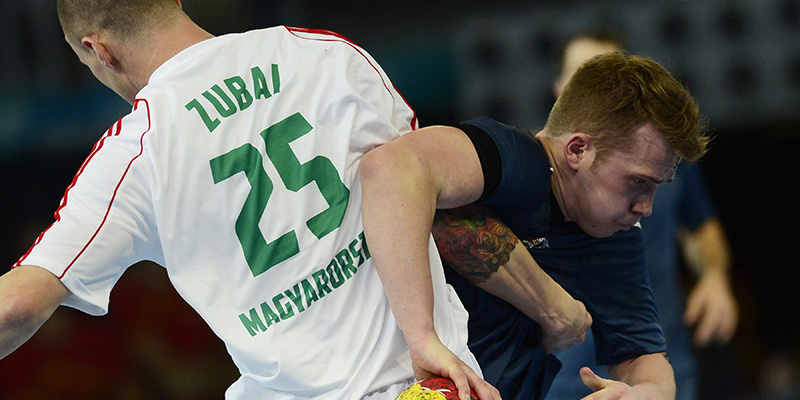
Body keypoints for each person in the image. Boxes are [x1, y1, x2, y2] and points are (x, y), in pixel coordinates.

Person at [0, 1, 500, 399]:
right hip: (439, 380)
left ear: (98, 49)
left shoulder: (135, 155)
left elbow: (18, 303)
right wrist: (548, 307)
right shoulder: (325, 54)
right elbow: (432, 201)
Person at [360, 51, 710, 400]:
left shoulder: (613, 237)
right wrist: (423, 339)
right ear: (576, 150)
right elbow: (391, 167)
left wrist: (649, 392)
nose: (646, 208)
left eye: (655, 188)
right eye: (638, 183)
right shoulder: (520, 161)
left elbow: (643, 358)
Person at [543, 31, 738, 400]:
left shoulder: (667, 163)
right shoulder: (528, 172)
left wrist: (714, 276)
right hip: (561, 377)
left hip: (660, 356)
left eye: (613, 81)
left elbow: (701, 228)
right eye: (587, 76)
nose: (642, 207)